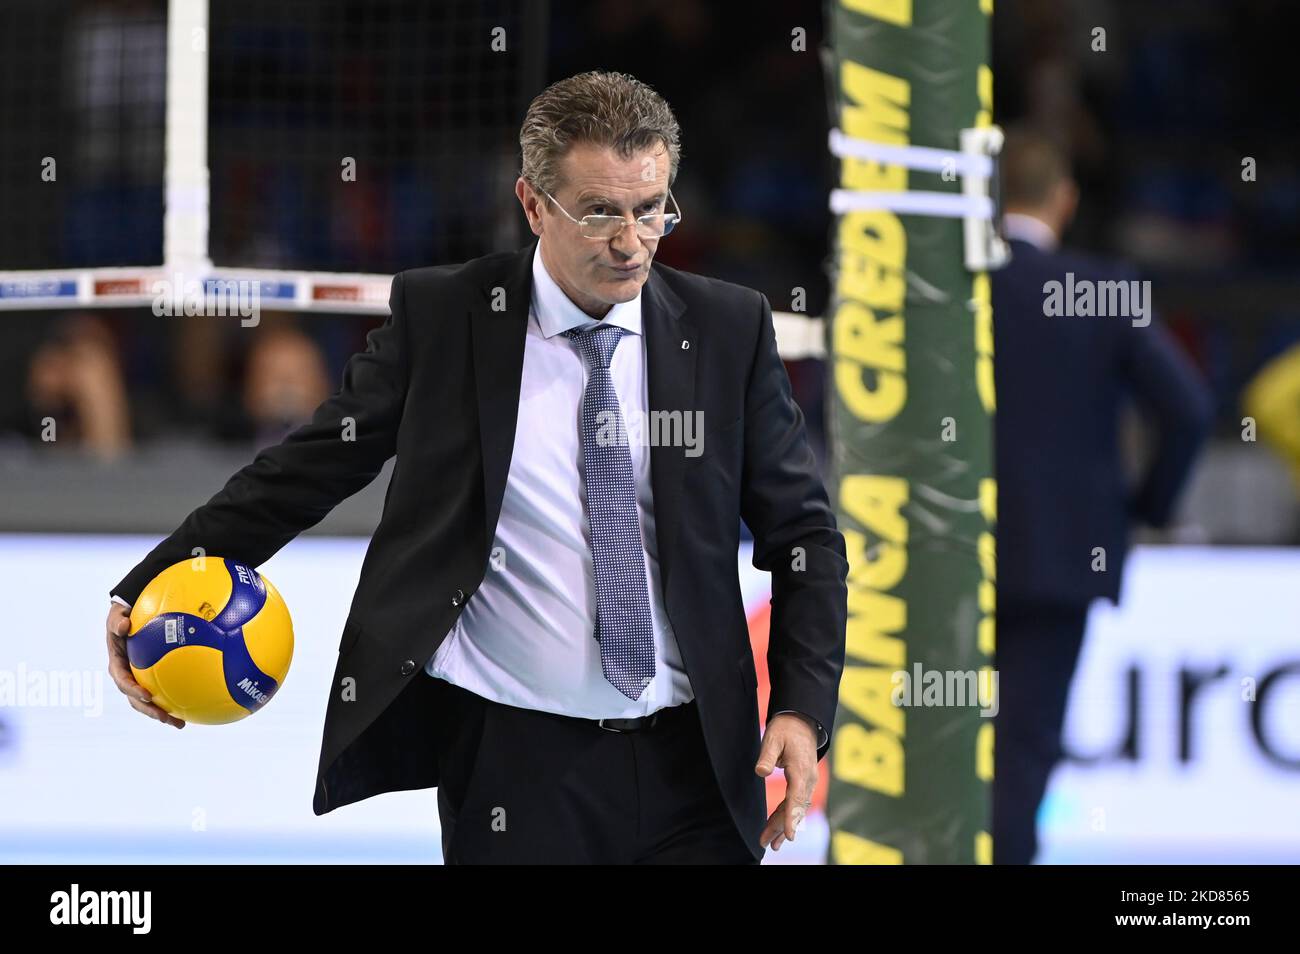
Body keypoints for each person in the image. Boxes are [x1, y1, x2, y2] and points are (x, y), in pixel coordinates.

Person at [104, 70, 849, 864]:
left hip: (698, 766)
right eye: (599, 211)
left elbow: (804, 535)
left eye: (650, 209)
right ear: (533, 205)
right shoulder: (446, 319)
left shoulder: (728, 328)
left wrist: (802, 709)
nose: (631, 242)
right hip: (514, 773)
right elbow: (308, 470)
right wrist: (144, 587)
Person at [991, 127, 1213, 864]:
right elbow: (1187, 408)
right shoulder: (1096, 286)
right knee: (1022, 756)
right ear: (1065, 197)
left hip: (948, 550)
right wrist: (1146, 506)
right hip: (1063, 559)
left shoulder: (949, 286)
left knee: (935, 738)